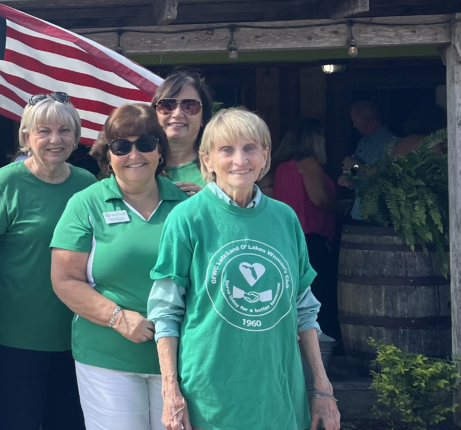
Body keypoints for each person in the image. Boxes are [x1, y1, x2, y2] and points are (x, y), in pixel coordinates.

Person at [148, 108, 341, 430]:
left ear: (265, 156)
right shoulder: (188, 218)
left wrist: (323, 389)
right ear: (206, 160)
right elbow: (166, 312)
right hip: (209, 395)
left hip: (278, 392)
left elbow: (304, 310)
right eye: (226, 149)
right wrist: (171, 392)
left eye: (250, 147)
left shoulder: (285, 218)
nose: (240, 160)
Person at [51, 104, 186, 430]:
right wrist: (118, 318)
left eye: (145, 143)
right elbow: (65, 280)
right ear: (107, 156)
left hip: (177, 359)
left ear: (160, 150)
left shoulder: (186, 207)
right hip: (107, 357)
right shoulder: (86, 203)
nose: (134, 154)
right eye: (121, 146)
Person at [0, 92, 95, 430]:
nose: (56, 139)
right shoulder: (5, 182)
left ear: (76, 136)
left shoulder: (88, 186)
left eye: (65, 131)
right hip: (15, 336)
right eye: (44, 131)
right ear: (27, 137)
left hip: (76, 333)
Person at [273, 119, 340, 341]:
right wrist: (345, 204)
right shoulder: (308, 163)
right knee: (320, 299)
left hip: (289, 240)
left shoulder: (283, 167)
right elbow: (320, 200)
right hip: (313, 240)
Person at [151, 68, 214, 196]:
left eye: (190, 106)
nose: (178, 114)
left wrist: (210, 203)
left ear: (203, 118)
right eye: (167, 105)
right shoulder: (140, 165)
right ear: (155, 114)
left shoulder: (219, 167)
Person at [338, 100, 397, 220]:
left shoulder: (392, 142)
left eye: (355, 121)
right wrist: (347, 179)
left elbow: (384, 177)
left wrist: (355, 165)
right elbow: (358, 173)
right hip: (358, 213)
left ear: (365, 120)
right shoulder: (362, 142)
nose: (354, 126)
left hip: (381, 215)